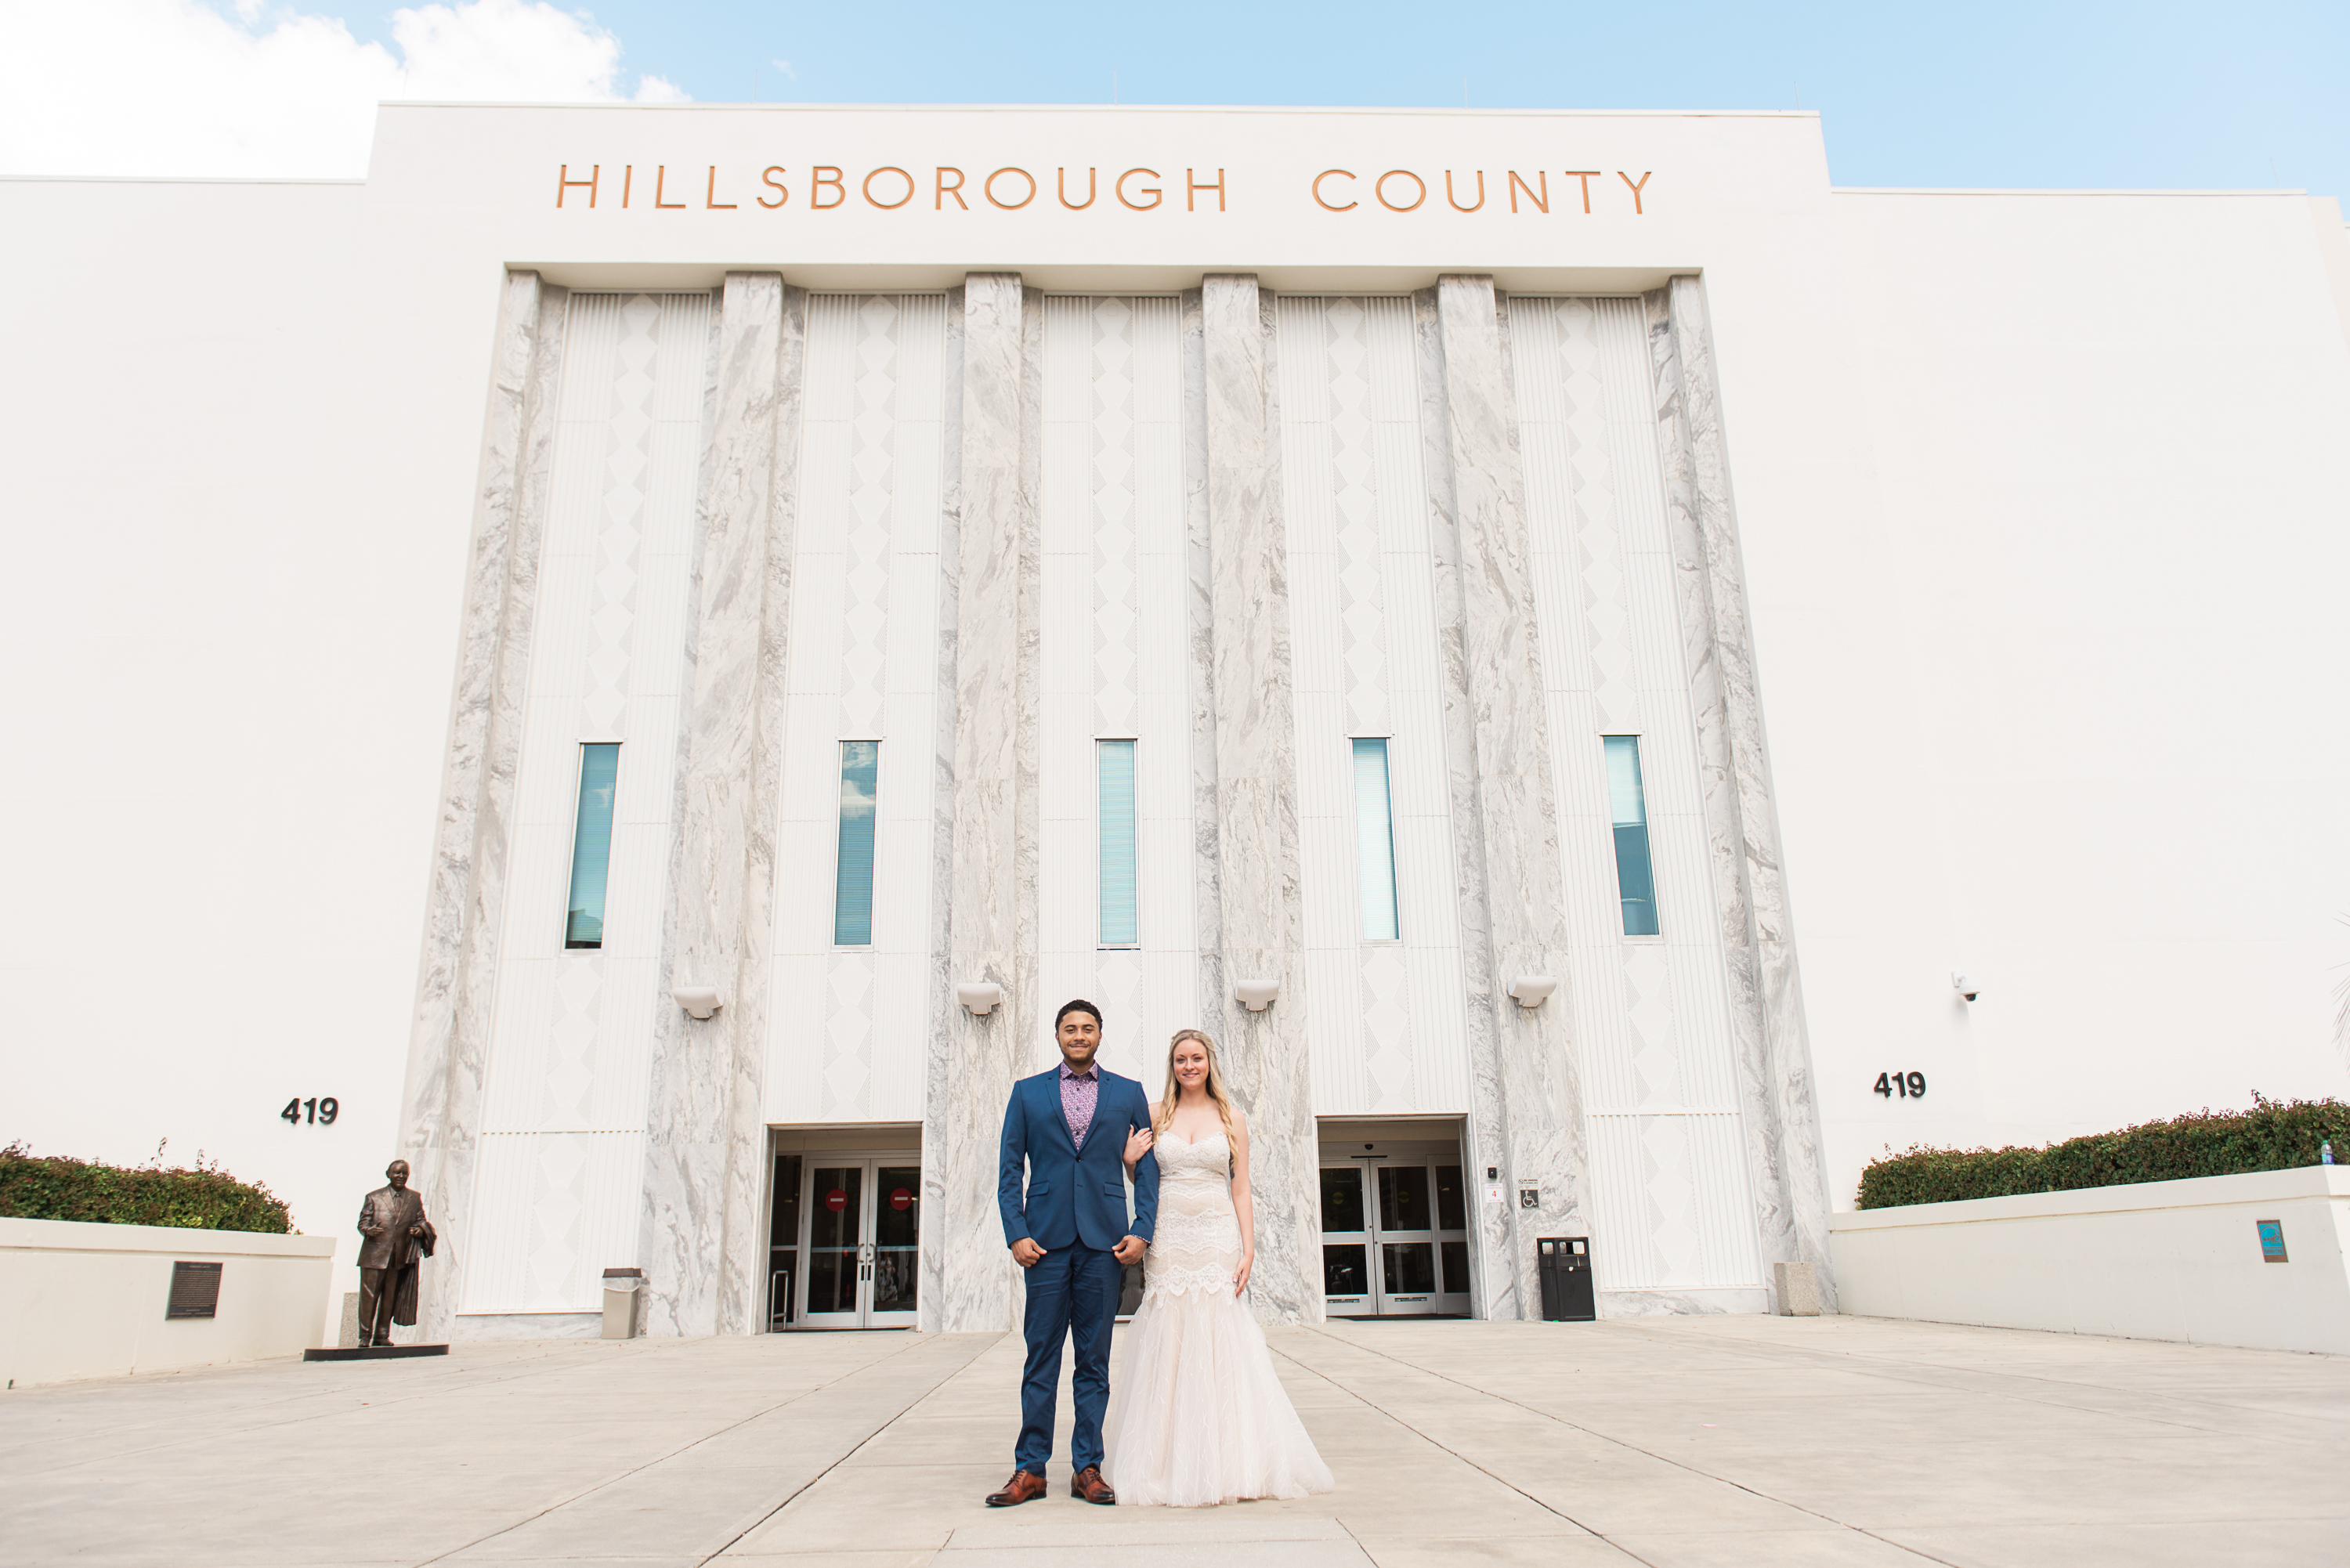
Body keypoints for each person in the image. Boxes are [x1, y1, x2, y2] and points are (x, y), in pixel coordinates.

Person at [1101, 1028, 1335, 1507]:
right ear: (1173, 1066)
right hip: (1168, 1239)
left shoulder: (1233, 1118)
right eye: (1181, 1059)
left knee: (1220, 1338)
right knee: (1170, 1338)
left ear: (1210, 1063)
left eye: (1197, 1058)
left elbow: (1241, 1188)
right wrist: (1128, 1161)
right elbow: (1142, 1176)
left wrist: (1248, 1249)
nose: (1189, 1066)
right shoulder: (1154, 1115)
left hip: (1216, 1237)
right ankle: (1164, 1462)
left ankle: (1229, 1461)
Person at [986, 999, 1162, 1508]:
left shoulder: (1128, 1094)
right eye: (1071, 1028)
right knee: (1040, 1358)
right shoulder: (1027, 1094)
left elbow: (1146, 1170)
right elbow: (1007, 1172)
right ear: (1058, 1034)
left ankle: (1088, 1466)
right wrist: (1015, 1232)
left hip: (1104, 1245)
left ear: (1100, 1035)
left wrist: (1142, 1229)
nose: (1079, 1035)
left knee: (1094, 1361)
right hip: (1042, 1245)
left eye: (1088, 1028)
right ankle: (1030, 1469)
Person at [355, 1158, 436, 1347]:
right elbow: (362, 1223)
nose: (401, 1176)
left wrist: (419, 1230)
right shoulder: (374, 1197)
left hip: (399, 1256)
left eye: (404, 1173)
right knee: (369, 1299)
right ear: (388, 1174)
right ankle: (365, 1336)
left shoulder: (414, 1198)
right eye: (397, 1173)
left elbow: (420, 1220)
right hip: (374, 1256)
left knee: (390, 1298)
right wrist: (368, 1231)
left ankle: (382, 1335)